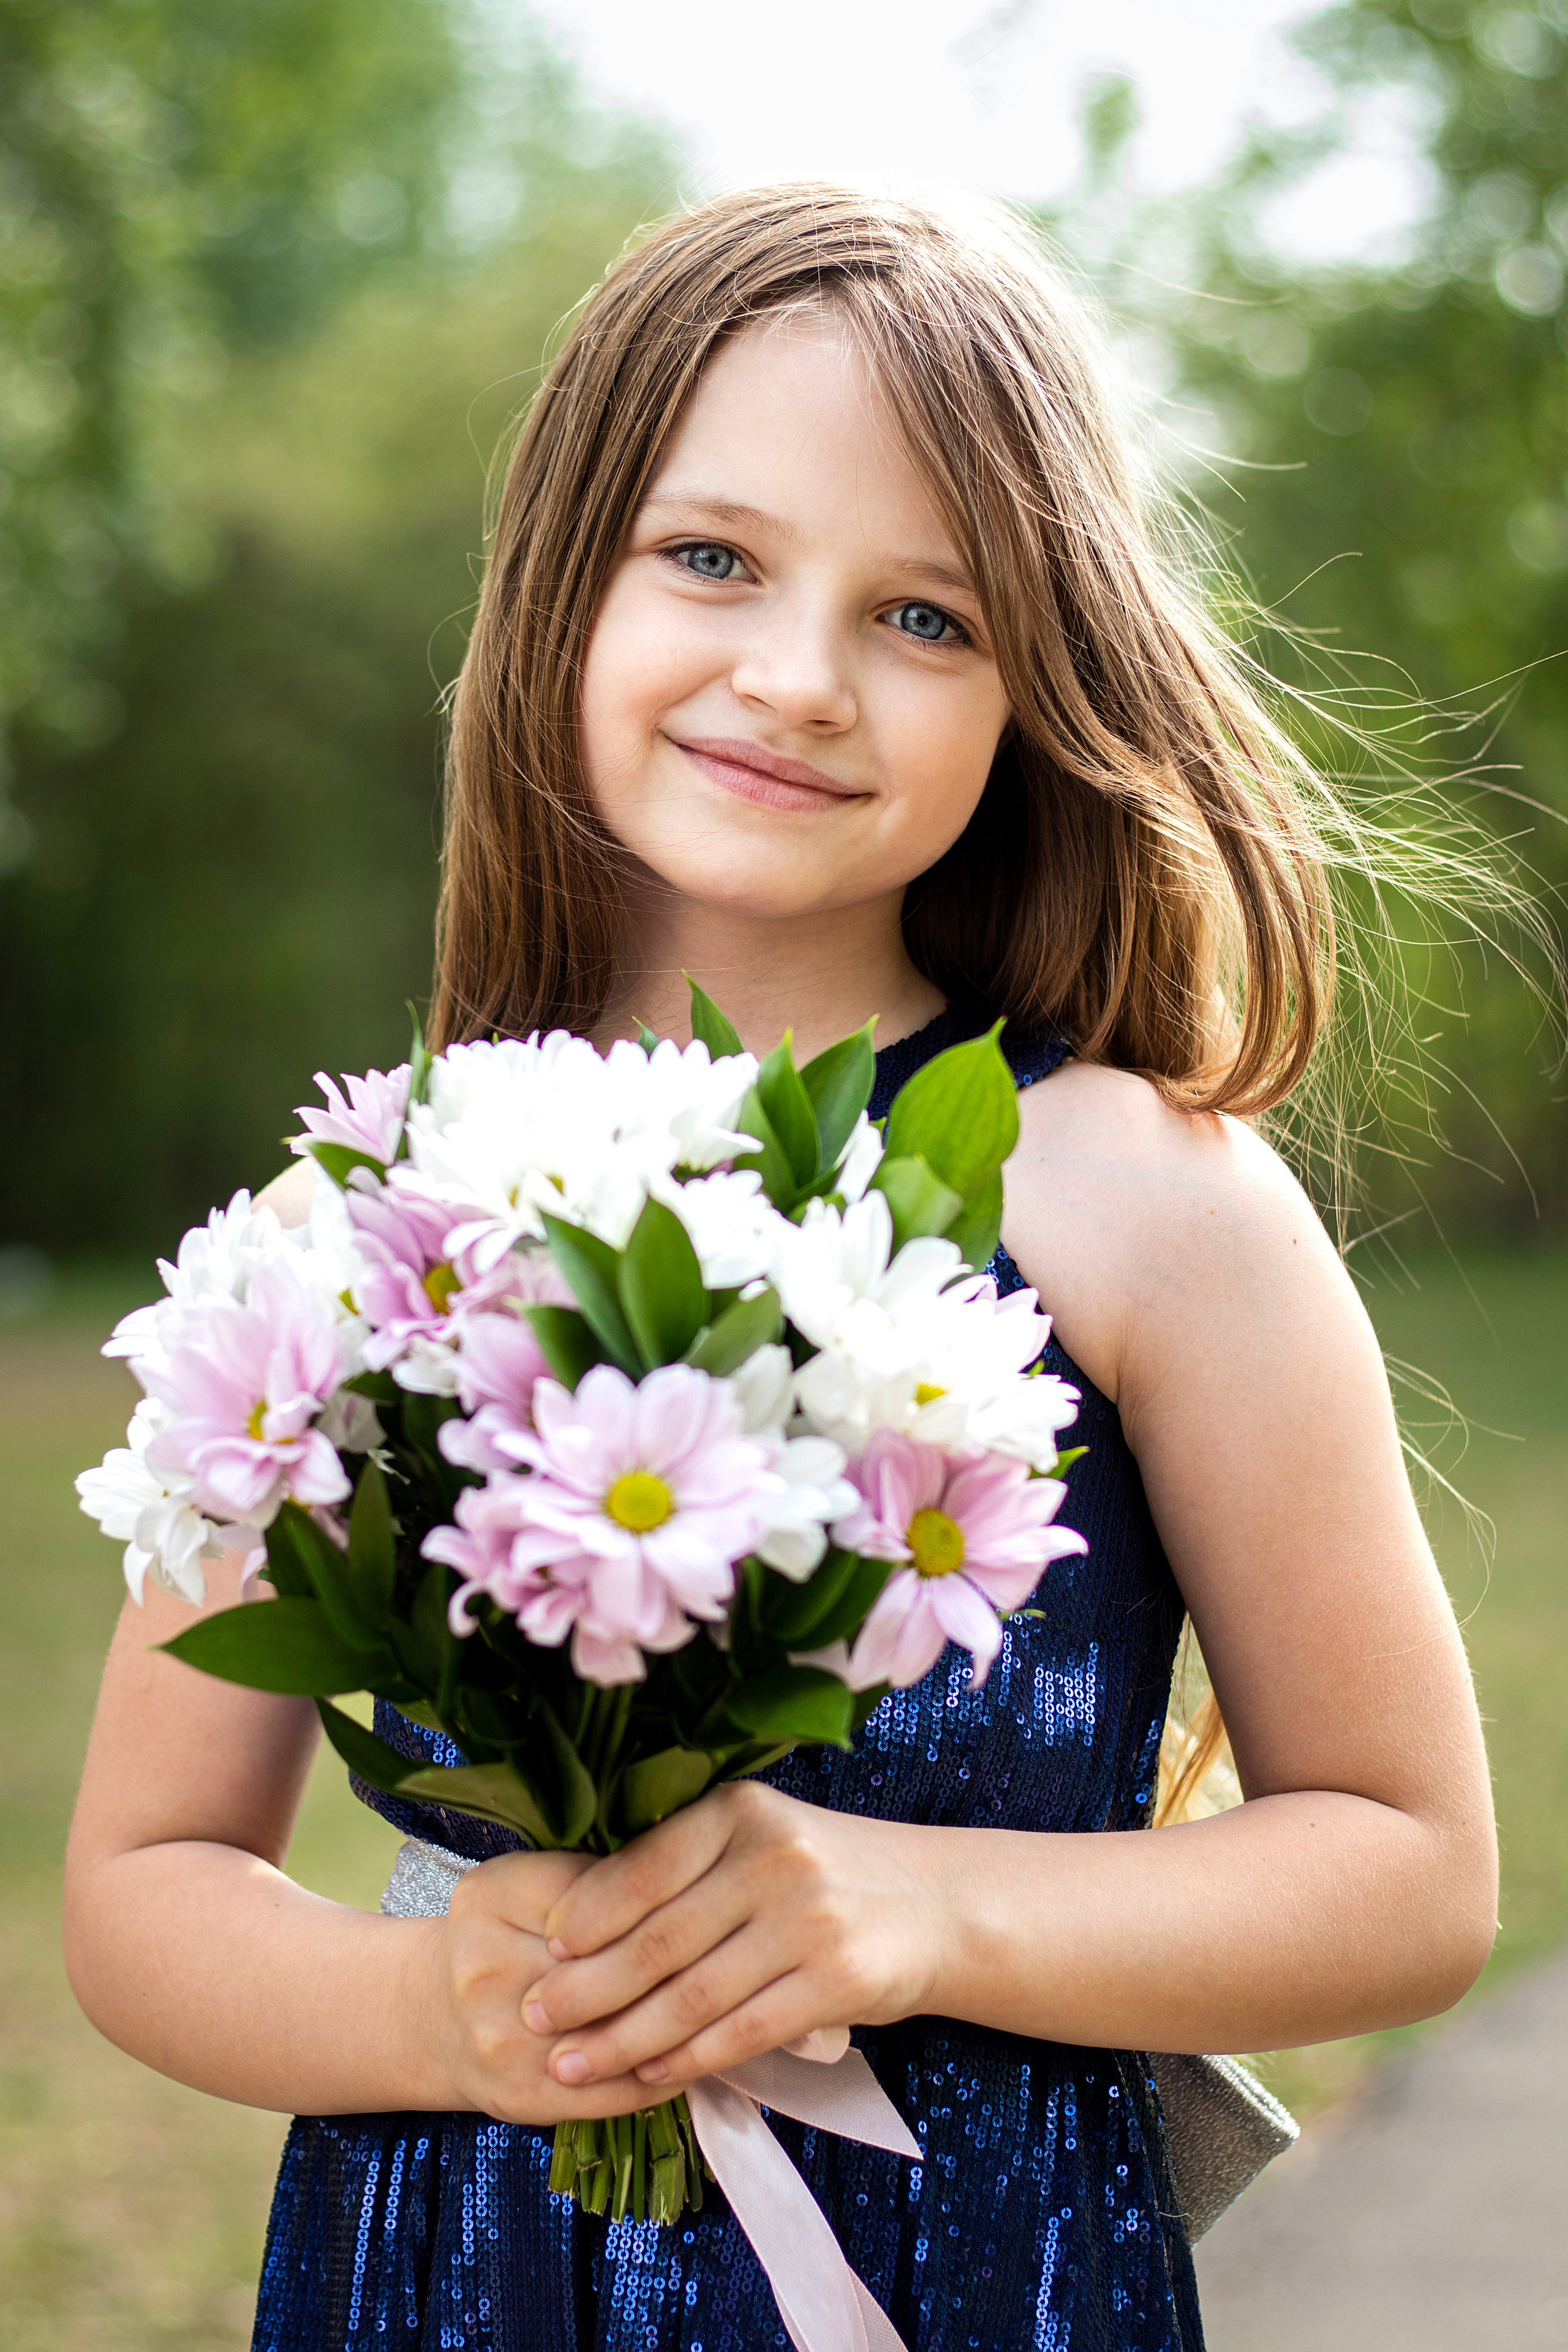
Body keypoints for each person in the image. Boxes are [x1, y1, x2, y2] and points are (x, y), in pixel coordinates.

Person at [62, 186, 1498, 2351]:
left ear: (1040, 688)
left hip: (977, 2284)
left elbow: (1409, 1866)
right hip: (448, 2284)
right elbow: (140, 1886)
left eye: (929, 618)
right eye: (712, 557)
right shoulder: (356, 1239)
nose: (798, 678)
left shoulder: (1135, 1195)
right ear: (564, 579)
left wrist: (915, 1907)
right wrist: (431, 2009)